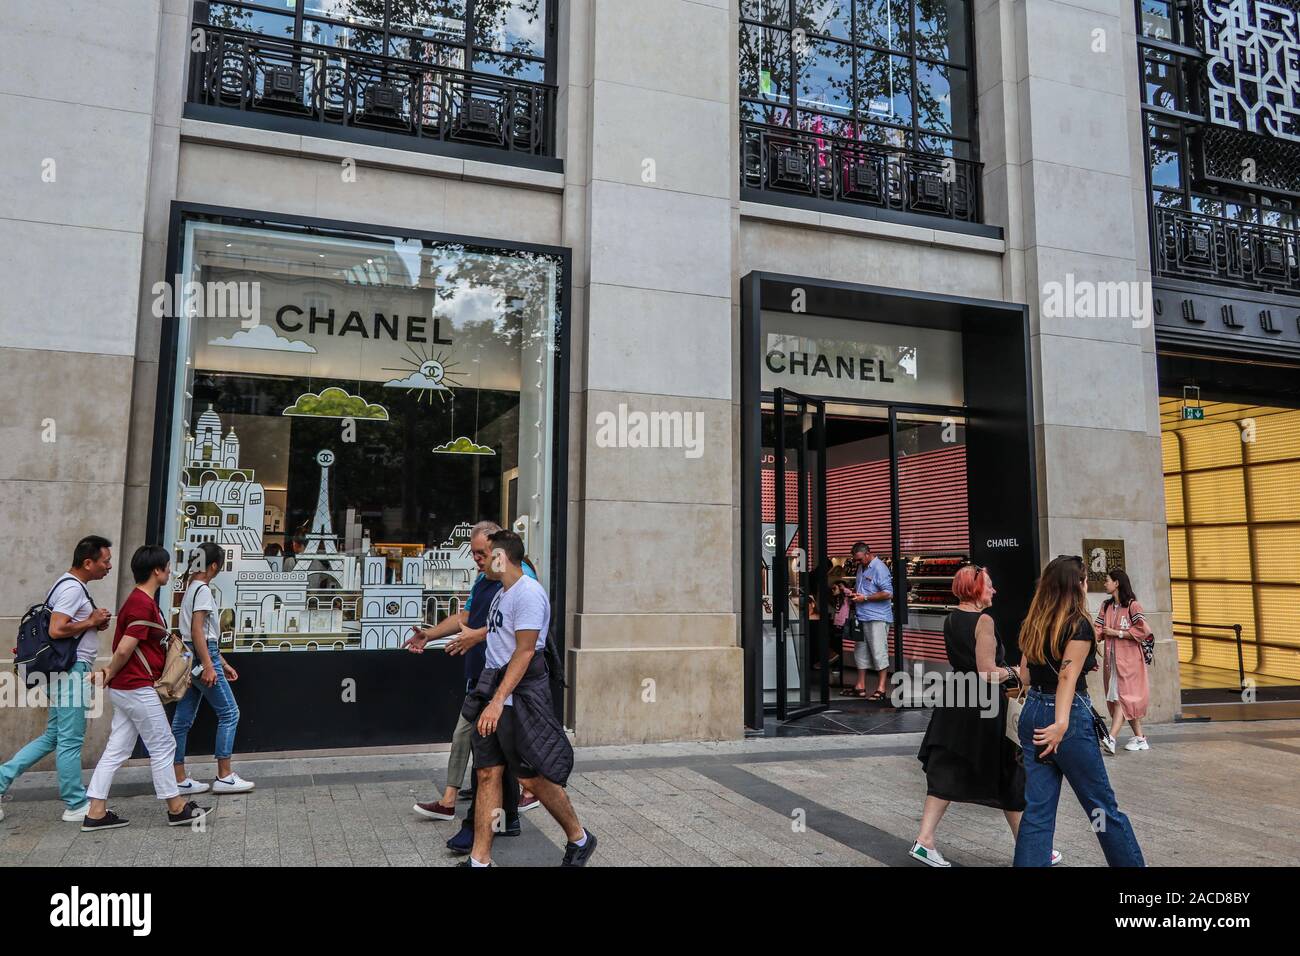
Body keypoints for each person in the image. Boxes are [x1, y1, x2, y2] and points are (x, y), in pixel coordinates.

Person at [461, 529, 596, 867]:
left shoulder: (528, 595)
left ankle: (579, 837)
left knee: (531, 777)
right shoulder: (500, 594)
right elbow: (496, 636)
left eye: (485, 554)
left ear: (501, 557)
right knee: (487, 774)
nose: (479, 562)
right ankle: (480, 860)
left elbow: (523, 653)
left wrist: (497, 701)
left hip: (515, 698)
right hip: (493, 693)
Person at [912, 565, 1062, 867]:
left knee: (950, 765)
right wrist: (1016, 673)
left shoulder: (952, 618)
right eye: (989, 585)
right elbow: (987, 672)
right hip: (983, 705)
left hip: (957, 697)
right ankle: (1034, 849)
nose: (994, 590)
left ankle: (925, 840)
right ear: (975, 589)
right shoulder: (984, 621)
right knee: (1008, 770)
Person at [402, 521, 539, 837]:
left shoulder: (522, 581)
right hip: (480, 675)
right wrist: (431, 634)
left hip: (503, 681)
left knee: (493, 748)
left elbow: (521, 633)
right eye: (474, 553)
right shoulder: (483, 580)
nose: (476, 559)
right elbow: (466, 617)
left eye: (481, 553)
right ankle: (485, 813)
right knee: (481, 744)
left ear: (498, 550)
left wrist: (479, 636)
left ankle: (496, 812)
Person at [1013, 555, 1144, 867]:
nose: (1088, 586)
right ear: (1077, 586)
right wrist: (1060, 723)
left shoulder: (1036, 620)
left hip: (1032, 713)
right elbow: (1067, 675)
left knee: (1037, 811)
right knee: (1101, 807)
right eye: (1085, 581)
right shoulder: (1079, 624)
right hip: (1067, 719)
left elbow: (1025, 676)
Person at [82, 546, 211, 831]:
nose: (170, 571)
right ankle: (176, 807)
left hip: (127, 688)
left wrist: (110, 676)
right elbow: (126, 648)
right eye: (167, 566)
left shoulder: (139, 600)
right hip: (136, 686)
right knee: (164, 744)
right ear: (157, 570)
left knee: (117, 749)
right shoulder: (141, 603)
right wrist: (107, 672)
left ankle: (96, 810)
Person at [0, 535, 113, 824]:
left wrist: (92, 624)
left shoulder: (67, 585)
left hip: (64, 671)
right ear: (88, 563)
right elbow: (56, 629)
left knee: (53, 737)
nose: (109, 566)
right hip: (71, 671)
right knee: (71, 740)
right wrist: (92, 621)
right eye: (105, 561)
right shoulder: (73, 589)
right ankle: (75, 803)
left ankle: (1, 781)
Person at [171, 541, 255, 795]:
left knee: (182, 720)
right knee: (230, 713)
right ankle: (224, 774)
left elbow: (195, 633)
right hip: (203, 657)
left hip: (191, 658)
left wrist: (221, 663)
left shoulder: (189, 589)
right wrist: (210, 665)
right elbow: (199, 631)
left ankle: (178, 777)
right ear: (214, 565)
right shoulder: (203, 591)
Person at [1095, 568, 1152, 752]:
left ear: (1117, 583)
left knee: (1120, 698)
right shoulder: (1106, 606)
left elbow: (1144, 631)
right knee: (1121, 698)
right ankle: (1140, 738)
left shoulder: (1133, 606)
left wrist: (1117, 633)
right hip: (1112, 663)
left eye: (1107, 580)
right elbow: (1098, 628)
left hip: (1130, 663)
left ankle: (1111, 738)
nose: (1105, 583)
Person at [846, 542, 893, 701]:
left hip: (877, 617)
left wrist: (864, 598)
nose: (858, 563)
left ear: (868, 553)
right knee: (860, 652)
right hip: (862, 615)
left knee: (879, 652)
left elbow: (888, 593)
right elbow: (864, 590)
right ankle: (860, 686)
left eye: (859, 559)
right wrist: (853, 594)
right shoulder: (861, 567)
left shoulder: (879, 568)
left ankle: (881, 689)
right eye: (856, 560)